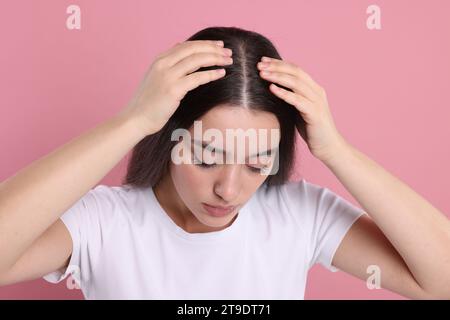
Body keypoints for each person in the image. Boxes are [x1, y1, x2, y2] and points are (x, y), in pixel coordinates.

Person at [0, 26, 449, 300]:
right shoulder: (102, 221)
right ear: (168, 137)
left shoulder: (300, 215)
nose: (230, 191)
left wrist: (337, 151)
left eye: (257, 164)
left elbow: (442, 279)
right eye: (207, 156)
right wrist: (132, 120)